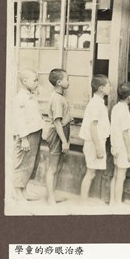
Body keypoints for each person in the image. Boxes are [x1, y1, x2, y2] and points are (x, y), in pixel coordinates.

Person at [11, 68, 43, 201]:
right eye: (35, 80)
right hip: (27, 135)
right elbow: (19, 119)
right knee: (22, 163)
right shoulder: (20, 98)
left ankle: (24, 190)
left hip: (35, 133)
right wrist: (24, 138)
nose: (37, 83)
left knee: (30, 163)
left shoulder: (31, 95)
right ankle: (17, 193)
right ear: (24, 81)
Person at [80, 74, 112, 200]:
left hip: (96, 142)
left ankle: (83, 201)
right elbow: (92, 126)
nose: (110, 88)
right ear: (101, 88)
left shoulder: (99, 102)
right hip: (93, 142)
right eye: (109, 85)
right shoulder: (95, 104)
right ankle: (83, 202)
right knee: (90, 173)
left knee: (91, 173)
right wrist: (98, 147)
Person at [41, 68, 71, 204]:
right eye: (67, 79)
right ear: (59, 82)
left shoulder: (60, 97)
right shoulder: (56, 99)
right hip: (58, 134)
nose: (68, 81)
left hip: (63, 132)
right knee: (53, 168)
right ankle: (50, 198)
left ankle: (53, 194)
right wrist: (64, 141)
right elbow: (57, 122)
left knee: (58, 167)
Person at [110, 82, 130, 205]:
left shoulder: (116, 108)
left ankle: (112, 201)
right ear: (129, 97)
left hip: (116, 146)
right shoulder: (124, 111)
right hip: (123, 148)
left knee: (116, 175)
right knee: (121, 177)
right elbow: (125, 134)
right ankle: (118, 203)